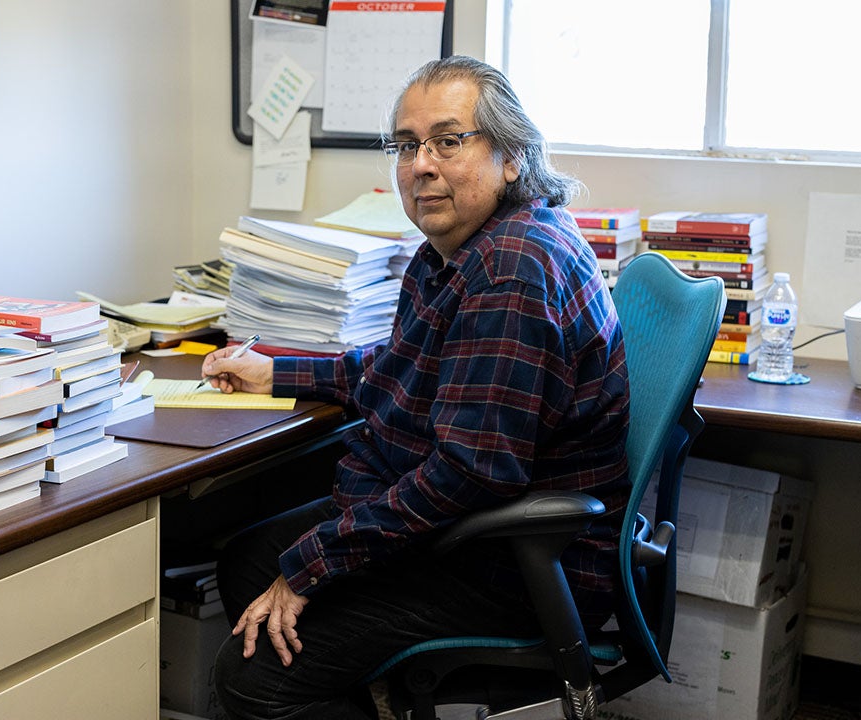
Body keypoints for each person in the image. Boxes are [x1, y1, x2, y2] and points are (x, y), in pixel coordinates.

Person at [205, 55, 630, 720]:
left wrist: (313, 564)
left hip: (507, 559)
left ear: (512, 156)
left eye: (448, 140)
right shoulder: (461, 248)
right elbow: (402, 369)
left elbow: (471, 472)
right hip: (465, 527)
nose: (420, 164)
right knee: (246, 561)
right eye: (406, 145)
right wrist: (274, 371)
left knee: (251, 678)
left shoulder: (509, 272)